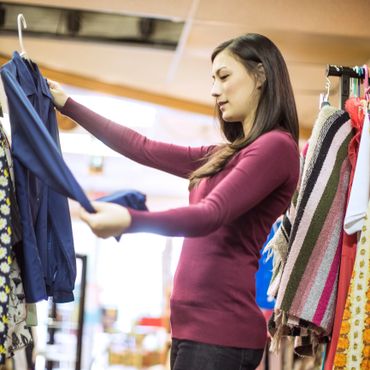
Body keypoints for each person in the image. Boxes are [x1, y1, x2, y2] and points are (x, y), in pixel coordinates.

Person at [48, 33, 300, 370]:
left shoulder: (276, 147)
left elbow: (211, 214)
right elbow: (143, 147)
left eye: (224, 76)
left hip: (220, 335)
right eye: (213, 79)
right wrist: (68, 104)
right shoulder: (225, 155)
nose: (213, 90)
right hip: (194, 332)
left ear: (260, 76)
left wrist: (131, 220)